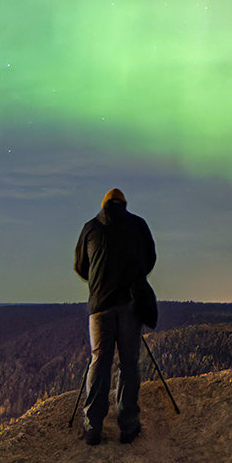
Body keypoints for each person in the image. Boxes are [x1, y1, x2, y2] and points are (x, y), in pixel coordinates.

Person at [73, 187, 157, 445]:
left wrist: (101, 280)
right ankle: (128, 426)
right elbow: (150, 259)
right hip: (131, 305)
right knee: (129, 363)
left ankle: (92, 426)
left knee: (99, 361)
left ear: (104, 206)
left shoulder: (90, 228)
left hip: (100, 306)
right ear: (124, 204)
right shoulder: (138, 225)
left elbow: (80, 267)